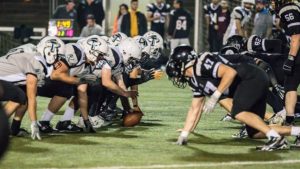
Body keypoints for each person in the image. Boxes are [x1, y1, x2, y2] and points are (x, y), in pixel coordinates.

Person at [166, 45, 300, 151]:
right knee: (255, 133)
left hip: (251, 76)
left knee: (237, 111)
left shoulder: (201, 63)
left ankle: (275, 138)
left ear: (183, 62)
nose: (176, 74)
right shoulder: (193, 80)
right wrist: (184, 134)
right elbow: (195, 108)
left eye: (176, 65)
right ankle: (295, 132)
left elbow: (230, 72)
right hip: (247, 82)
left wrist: (215, 96)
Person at [273, 0, 300, 125]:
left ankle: (290, 123)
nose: (271, 4)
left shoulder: (288, 8)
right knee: (290, 85)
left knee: (290, 85)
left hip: (297, 52)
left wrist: (291, 58)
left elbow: (296, 35)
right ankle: (290, 123)